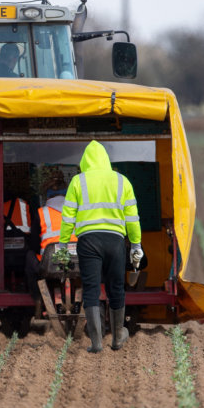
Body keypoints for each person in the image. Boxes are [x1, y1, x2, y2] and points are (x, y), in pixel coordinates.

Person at [58, 141, 142, 353]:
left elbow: (67, 217)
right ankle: (116, 339)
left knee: (91, 289)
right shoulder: (123, 181)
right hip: (115, 240)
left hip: (88, 241)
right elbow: (132, 218)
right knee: (116, 288)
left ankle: (96, 343)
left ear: (85, 161)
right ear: (106, 159)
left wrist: (62, 245)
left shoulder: (78, 181)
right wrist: (135, 245)